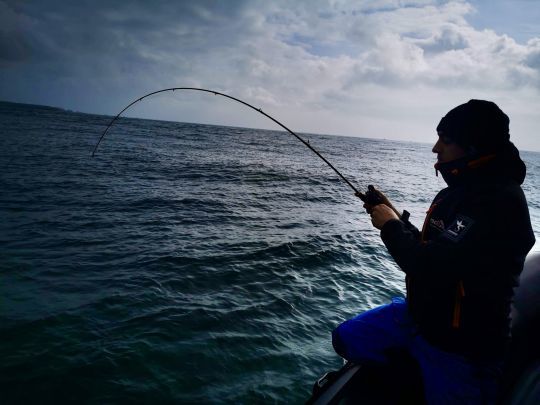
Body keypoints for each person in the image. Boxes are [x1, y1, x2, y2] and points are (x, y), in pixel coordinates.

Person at [332, 100, 535, 404]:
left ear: (473, 146)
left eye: (446, 140)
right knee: (347, 338)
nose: (435, 148)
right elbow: (438, 248)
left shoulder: (498, 201)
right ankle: (415, 372)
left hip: (462, 348)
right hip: (421, 320)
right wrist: (395, 219)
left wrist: (390, 228)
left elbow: (430, 266)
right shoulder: (463, 190)